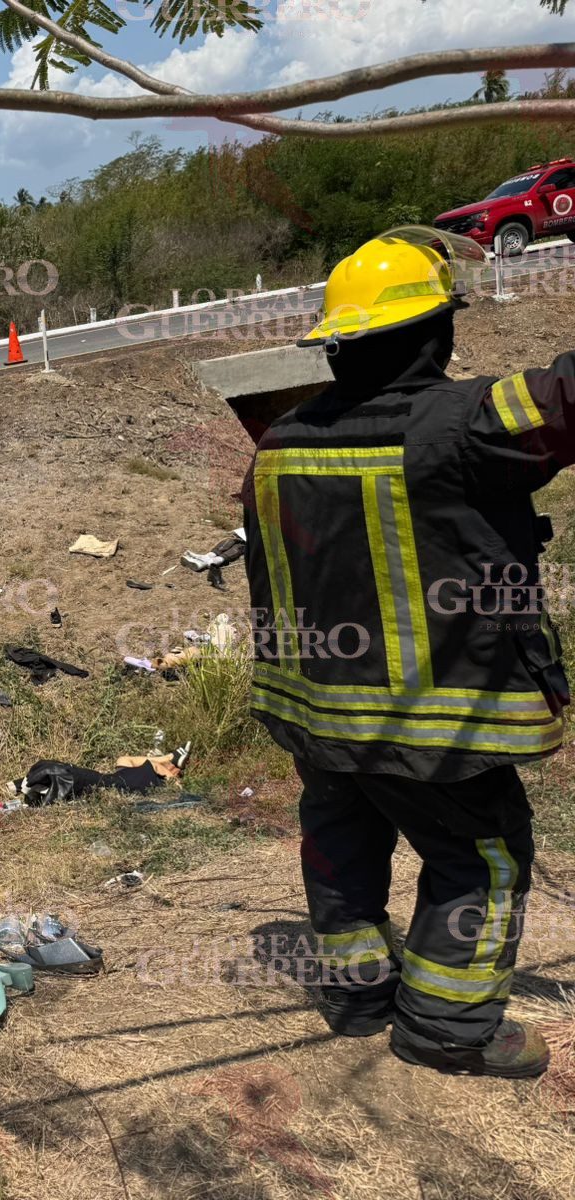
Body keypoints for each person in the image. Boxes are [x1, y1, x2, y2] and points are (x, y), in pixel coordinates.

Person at [241, 228, 565, 1078]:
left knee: (342, 834)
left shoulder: (276, 446)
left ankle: (357, 995)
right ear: (437, 332)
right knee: (482, 858)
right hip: (430, 724)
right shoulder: (462, 425)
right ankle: (449, 1028)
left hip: (316, 717)